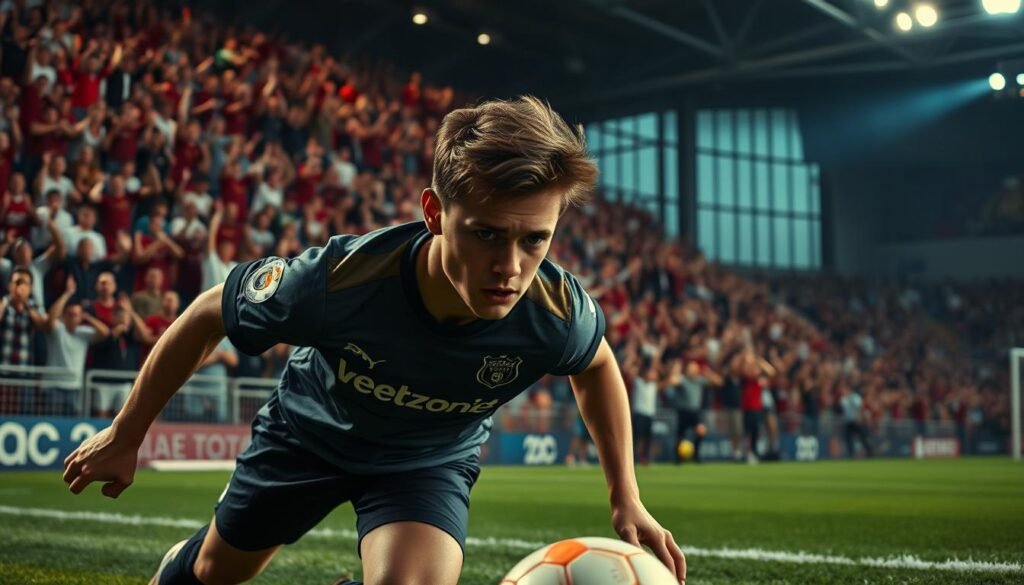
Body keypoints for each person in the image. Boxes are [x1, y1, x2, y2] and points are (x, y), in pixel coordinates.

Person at [61, 96, 687, 585]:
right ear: (435, 213)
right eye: (488, 235)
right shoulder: (339, 281)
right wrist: (126, 434)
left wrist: (625, 497)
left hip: (425, 460)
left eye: (535, 240)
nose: (512, 267)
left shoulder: (555, 309)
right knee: (218, 572)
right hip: (307, 436)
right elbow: (207, 314)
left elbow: (597, 364)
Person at [43, 276, 109, 414]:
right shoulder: (58, 330)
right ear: (64, 316)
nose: (73, 317)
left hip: (74, 387)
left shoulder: (83, 333)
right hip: (54, 386)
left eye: (76, 315)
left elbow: (105, 332)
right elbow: (51, 318)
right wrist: (67, 294)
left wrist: (87, 317)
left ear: (80, 317)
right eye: (70, 314)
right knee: (52, 421)